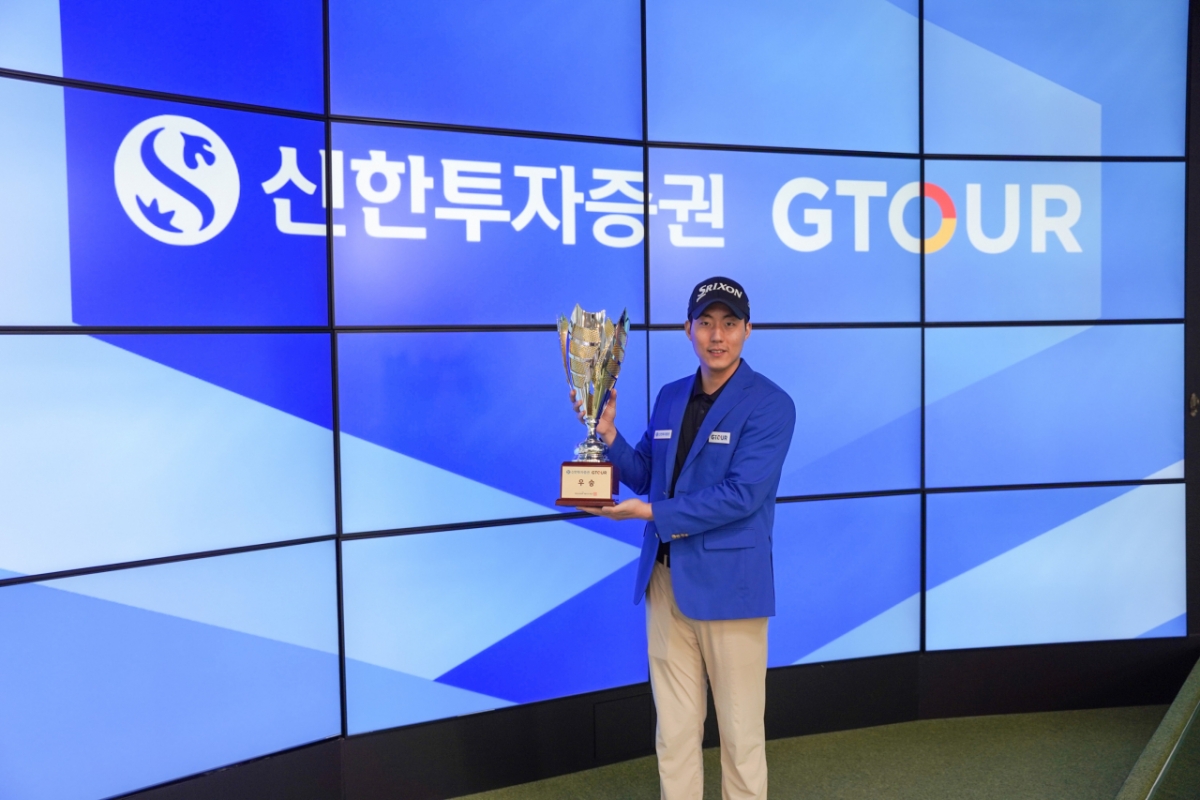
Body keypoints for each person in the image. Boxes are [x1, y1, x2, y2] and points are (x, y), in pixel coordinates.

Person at [575, 276, 796, 800]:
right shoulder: (671, 396)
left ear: (747, 330)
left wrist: (648, 511)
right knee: (673, 733)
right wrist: (608, 437)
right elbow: (648, 471)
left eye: (728, 324)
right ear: (688, 329)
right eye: (706, 323)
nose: (716, 335)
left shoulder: (771, 405)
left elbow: (740, 496)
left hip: (731, 589)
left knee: (741, 737)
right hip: (664, 582)